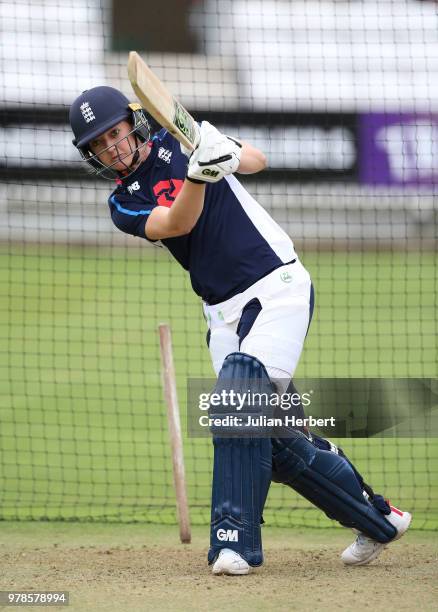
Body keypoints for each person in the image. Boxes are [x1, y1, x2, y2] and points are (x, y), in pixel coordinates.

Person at [70, 86, 411, 575]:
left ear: (134, 124)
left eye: (114, 135)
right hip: (221, 314)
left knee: (236, 404)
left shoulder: (179, 137)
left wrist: (217, 150)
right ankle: (380, 520)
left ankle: (234, 544)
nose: (112, 149)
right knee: (277, 442)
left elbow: (256, 159)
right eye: (99, 145)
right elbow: (177, 223)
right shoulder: (122, 203)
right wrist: (198, 174)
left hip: (277, 287)